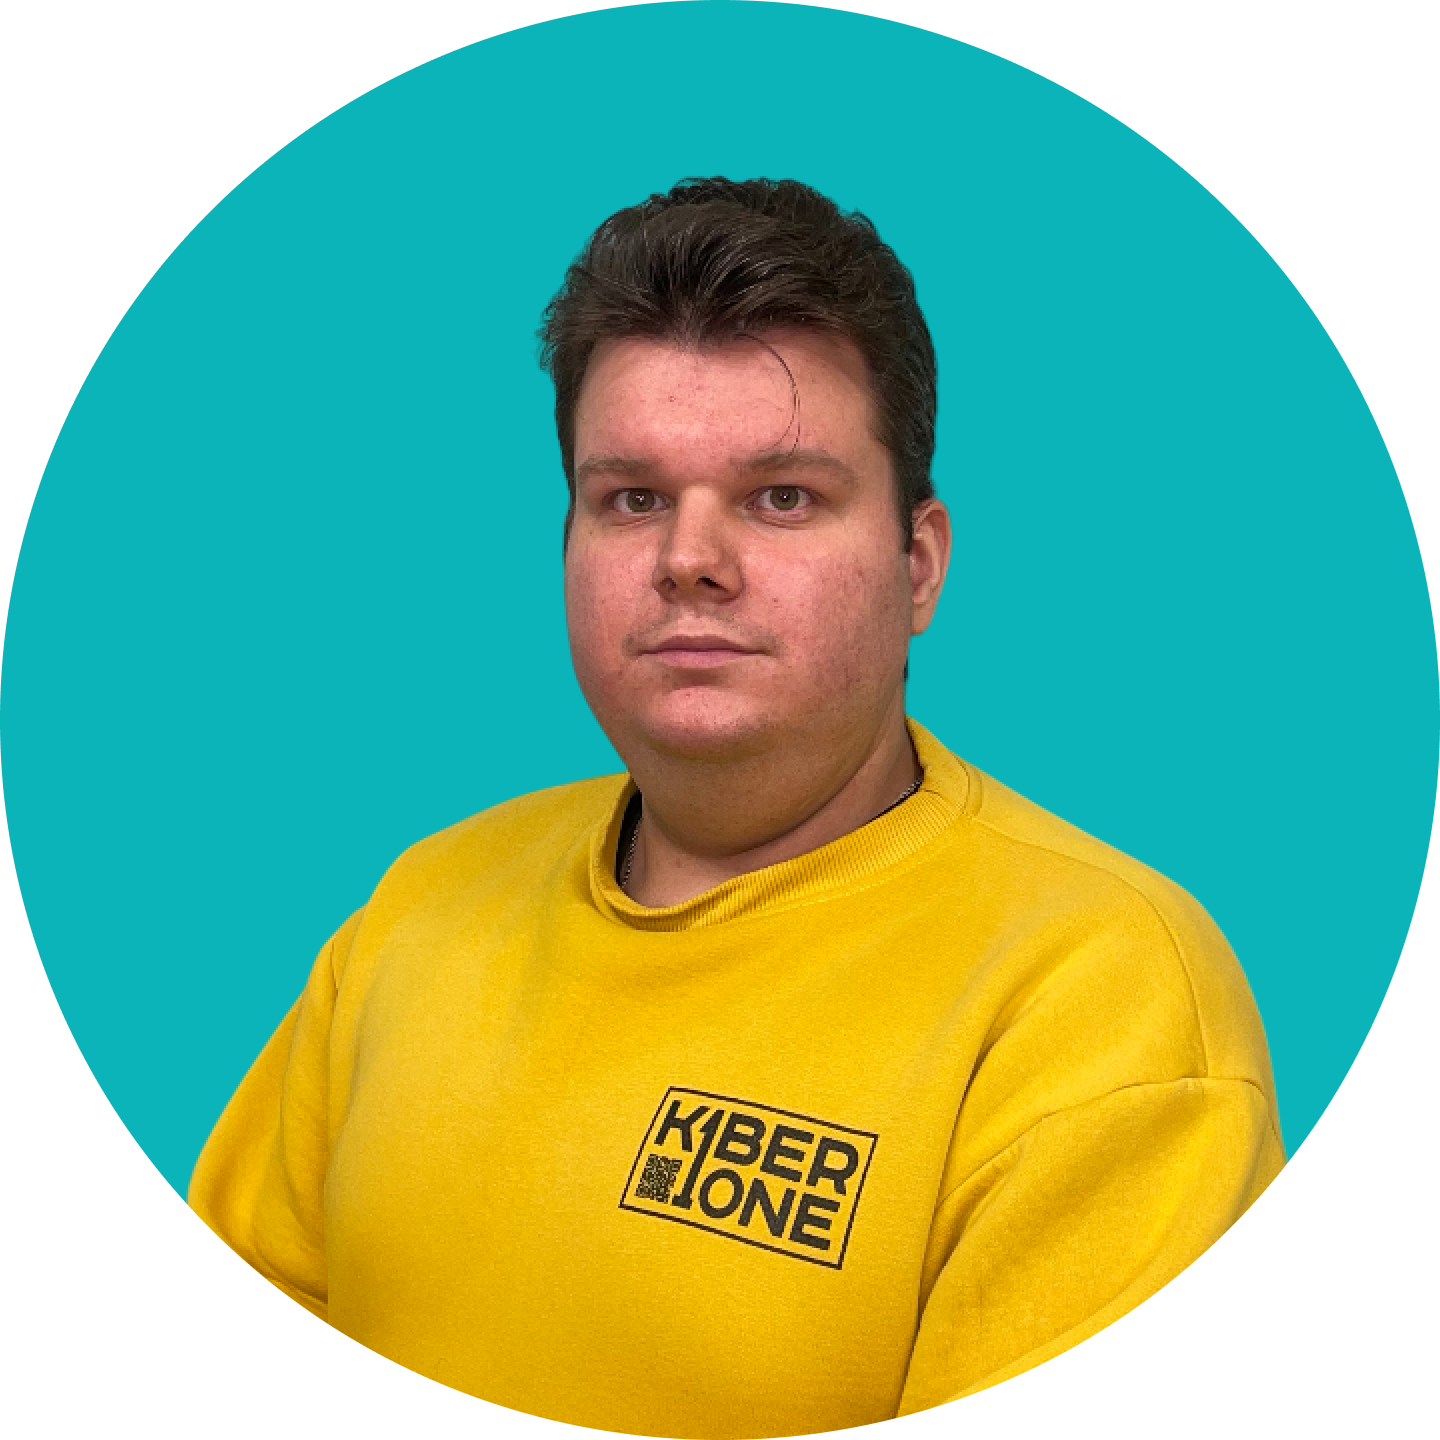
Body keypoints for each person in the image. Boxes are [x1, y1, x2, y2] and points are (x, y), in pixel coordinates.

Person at [189, 177, 1284, 1432]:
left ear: (919, 565)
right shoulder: (422, 905)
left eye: (782, 497)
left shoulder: (1102, 999)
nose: (689, 560)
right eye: (633, 498)